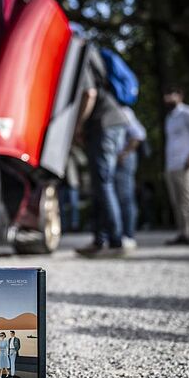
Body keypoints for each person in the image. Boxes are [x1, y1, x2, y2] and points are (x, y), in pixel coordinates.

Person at [74, 46, 130, 257]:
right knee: (101, 183)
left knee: (103, 182)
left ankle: (115, 241)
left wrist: (79, 126)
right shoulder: (92, 59)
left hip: (104, 125)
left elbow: (89, 93)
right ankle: (100, 240)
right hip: (110, 124)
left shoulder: (81, 58)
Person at [163, 86, 189, 245]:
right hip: (172, 165)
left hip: (187, 163)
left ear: (180, 95)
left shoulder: (188, 113)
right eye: (166, 95)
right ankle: (183, 232)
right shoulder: (170, 118)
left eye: (170, 94)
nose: (167, 98)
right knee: (177, 200)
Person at [115, 106, 146, 249]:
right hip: (117, 160)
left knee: (125, 197)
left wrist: (125, 153)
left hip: (124, 160)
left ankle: (128, 235)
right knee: (119, 198)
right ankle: (121, 234)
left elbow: (138, 134)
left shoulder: (124, 111)